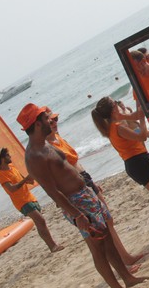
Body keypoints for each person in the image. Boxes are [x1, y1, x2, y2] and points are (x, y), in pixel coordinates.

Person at [20, 103, 148, 288]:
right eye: (46, 119)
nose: (50, 120)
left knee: (107, 238)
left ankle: (127, 278)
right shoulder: (33, 156)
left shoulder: (45, 144)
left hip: (85, 194)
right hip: (76, 203)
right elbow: (52, 192)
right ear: (37, 124)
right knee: (98, 248)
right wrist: (77, 214)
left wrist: (90, 188)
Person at [44, 108, 143, 265]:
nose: (54, 123)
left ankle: (125, 257)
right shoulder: (47, 147)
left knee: (107, 219)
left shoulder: (57, 138)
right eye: (50, 121)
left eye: (55, 119)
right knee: (100, 229)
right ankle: (121, 262)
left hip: (85, 179)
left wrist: (92, 182)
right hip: (75, 188)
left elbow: (76, 162)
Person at [91, 97, 149, 235]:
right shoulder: (118, 127)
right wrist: (142, 119)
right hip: (138, 161)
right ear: (113, 109)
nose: (118, 104)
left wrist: (136, 112)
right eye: (115, 103)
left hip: (133, 164)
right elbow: (142, 136)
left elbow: (134, 125)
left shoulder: (112, 127)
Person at [0, 146, 64, 253]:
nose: (10, 156)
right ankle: (53, 246)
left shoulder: (12, 167)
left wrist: (34, 174)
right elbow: (11, 189)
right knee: (41, 220)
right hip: (21, 202)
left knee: (40, 222)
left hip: (30, 197)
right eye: (7, 155)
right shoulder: (1, 175)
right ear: (2, 159)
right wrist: (25, 180)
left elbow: (25, 180)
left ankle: (52, 246)